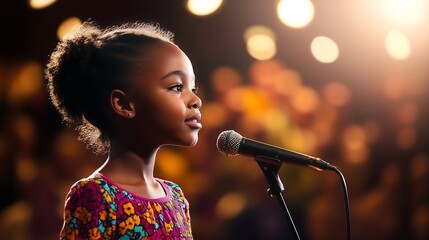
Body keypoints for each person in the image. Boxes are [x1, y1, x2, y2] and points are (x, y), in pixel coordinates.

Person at [45, 21, 202, 239]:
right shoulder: (95, 195)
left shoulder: (175, 196)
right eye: (176, 87)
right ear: (123, 104)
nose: (196, 100)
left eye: (192, 88)